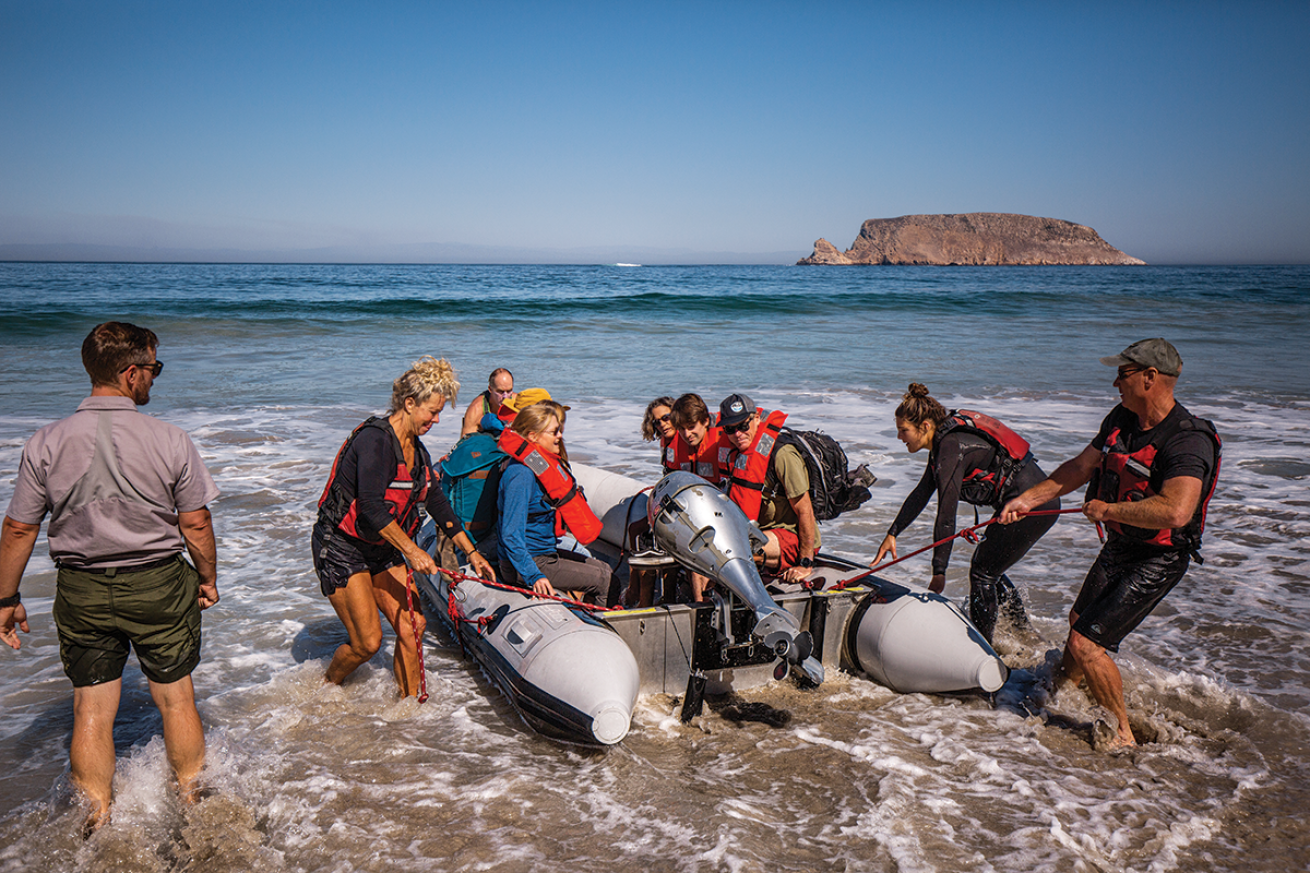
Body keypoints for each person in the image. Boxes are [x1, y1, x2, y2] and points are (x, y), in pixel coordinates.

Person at [0, 322, 219, 833]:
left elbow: (18, 529)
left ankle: (96, 817)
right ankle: (191, 802)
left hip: (81, 587)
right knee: (175, 698)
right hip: (159, 582)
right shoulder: (169, 438)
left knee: (92, 709)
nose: (155, 380)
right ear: (130, 373)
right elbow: (196, 521)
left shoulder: (46, 442)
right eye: (153, 369)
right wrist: (207, 577)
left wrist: (5, 596)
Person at [1000, 339, 1220, 750]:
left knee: (1088, 642)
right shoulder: (1123, 418)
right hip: (1121, 546)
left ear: (1150, 378)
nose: (1115, 381)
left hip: (1159, 557)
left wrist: (1108, 510)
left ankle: (1122, 734)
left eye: (1123, 373)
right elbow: (1082, 467)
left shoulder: (1188, 440)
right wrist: (1027, 500)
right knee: (1078, 619)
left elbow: (1177, 512)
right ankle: (1056, 690)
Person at [314, 356, 496, 698]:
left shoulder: (419, 453)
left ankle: (410, 710)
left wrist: (472, 552)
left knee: (413, 626)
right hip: (342, 546)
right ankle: (327, 687)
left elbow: (437, 503)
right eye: (432, 411)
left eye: (441, 412)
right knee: (368, 643)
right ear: (409, 403)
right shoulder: (374, 441)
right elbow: (370, 509)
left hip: (382, 549)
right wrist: (411, 551)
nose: (437, 419)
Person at [872, 384, 1058, 644]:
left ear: (925, 426)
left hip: (1034, 505)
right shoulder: (944, 444)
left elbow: (946, 515)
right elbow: (921, 493)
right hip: (1038, 504)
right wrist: (893, 533)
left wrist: (940, 571)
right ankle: (1023, 632)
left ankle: (984, 648)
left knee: (982, 573)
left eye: (904, 431)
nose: (900, 438)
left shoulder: (950, 448)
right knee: (990, 568)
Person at [497, 400, 617, 604]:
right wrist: (533, 575)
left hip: (543, 553)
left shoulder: (537, 465)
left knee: (605, 569)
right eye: (554, 432)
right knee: (606, 580)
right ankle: (600, 628)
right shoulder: (521, 475)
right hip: (528, 562)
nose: (560, 436)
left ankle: (588, 615)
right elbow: (510, 535)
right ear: (533, 437)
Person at [719, 393, 818, 584]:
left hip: (791, 537)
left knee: (732, 549)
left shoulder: (782, 455)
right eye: (730, 429)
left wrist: (805, 563)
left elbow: (805, 510)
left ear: (756, 419)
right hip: (760, 532)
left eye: (743, 426)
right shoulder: (736, 455)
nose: (737, 434)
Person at [460, 367, 515, 438]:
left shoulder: (518, 404)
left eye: (509, 391)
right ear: (490, 389)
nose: (505, 396)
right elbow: (465, 444)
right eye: (500, 392)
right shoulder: (476, 409)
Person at [641, 396, 678, 474]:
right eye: (657, 422)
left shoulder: (692, 439)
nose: (662, 424)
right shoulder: (666, 442)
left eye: (666, 417)